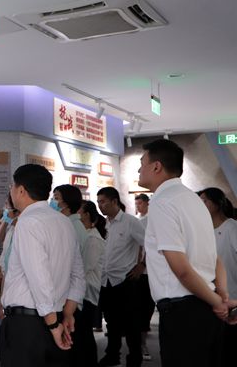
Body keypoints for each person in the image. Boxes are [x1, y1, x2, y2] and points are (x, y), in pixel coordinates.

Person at [138, 139, 231, 367]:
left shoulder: (162, 202)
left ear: (156, 166)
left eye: (142, 164)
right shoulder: (195, 200)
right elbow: (215, 258)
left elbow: (181, 269)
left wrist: (218, 302)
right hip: (205, 307)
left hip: (183, 313)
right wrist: (221, 296)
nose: (139, 170)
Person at [0, 164, 85, 367]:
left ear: (21, 190)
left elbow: (39, 278)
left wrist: (53, 324)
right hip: (55, 318)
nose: (11, 190)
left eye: (12, 186)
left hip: (29, 326)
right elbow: (78, 275)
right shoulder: (64, 222)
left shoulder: (28, 222)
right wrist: (68, 314)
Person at [96, 186, 145, 367]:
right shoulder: (105, 224)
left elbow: (148, 243)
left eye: (103, 202)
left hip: (126, 280)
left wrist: (142, 265)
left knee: (131, 323)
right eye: (98, 202)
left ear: (114, 201)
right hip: (106, 280)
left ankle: (135, 358)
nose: (100, 205)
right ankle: (112, 355)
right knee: (111, 322)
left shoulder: (130, 222)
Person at [53, 184, 100, 367]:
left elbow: (78, 268)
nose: (53, 201)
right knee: (80, 340)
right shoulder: (69, 224)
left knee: (79, 342)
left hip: (74, 298)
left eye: (56, 198)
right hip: (72, 296)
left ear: (66, 203)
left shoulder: (72, 227)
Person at [198, 187, 237, 367]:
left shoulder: (232, 228)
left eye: (204, 201)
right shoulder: (204, 231)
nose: (200, 205)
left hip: (232, 301)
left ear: (216, 204)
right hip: (211, 300)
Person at [78, 200, 106, 333]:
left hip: (88, 292)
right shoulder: (84, 234)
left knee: (84, 333)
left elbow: (85, 267)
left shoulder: (93, 239)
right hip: (82, 291)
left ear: (86, 215)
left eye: (79, 210)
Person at [133, 193, 155, 361]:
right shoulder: (137, 221)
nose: (138, 206)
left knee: (147, 308)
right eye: (136, 203)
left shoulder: (151, 220)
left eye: (140, 203)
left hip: (149, 271)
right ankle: (139, 343)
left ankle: (142, 342)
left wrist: (143, 263)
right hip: (138, 272)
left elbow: (149, 245)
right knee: (139, 308)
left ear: (147, 203)